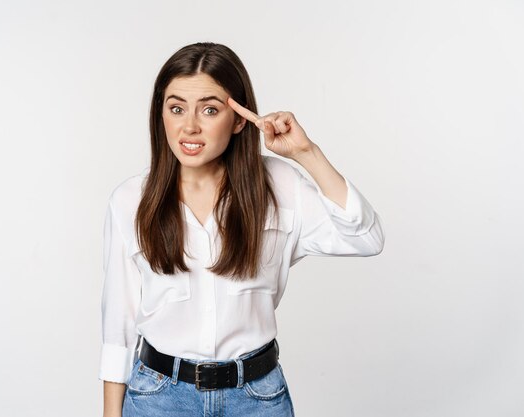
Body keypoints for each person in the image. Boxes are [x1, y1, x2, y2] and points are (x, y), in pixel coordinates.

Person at [99, 42, 385, 417]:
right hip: (159, 398)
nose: (190, 126)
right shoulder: (130, 200)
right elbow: (117, 326)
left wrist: (305, 153)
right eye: (177, 108)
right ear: (161, 114)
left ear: (238, 119)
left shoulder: (280, 185)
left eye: (210, 109)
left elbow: (366, 238)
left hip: (256, 398)